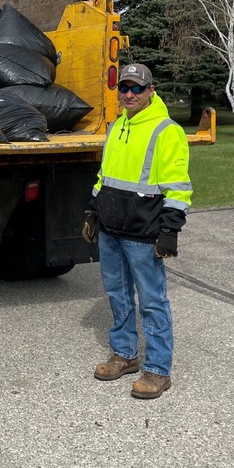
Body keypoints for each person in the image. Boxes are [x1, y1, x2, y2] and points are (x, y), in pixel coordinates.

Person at [83, 64, 192, 399]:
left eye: (136, 89)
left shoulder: (166, 131)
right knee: (117, 295)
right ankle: (125, 355)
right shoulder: (116, 127)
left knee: (151, 301)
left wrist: (170, 230)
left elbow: (177, 186)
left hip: (144, 233)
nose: (128, 94)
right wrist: (92, 210)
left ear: (151, 91)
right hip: (112, 229)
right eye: (124, 88)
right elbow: (106, 177)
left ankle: (158, 371)